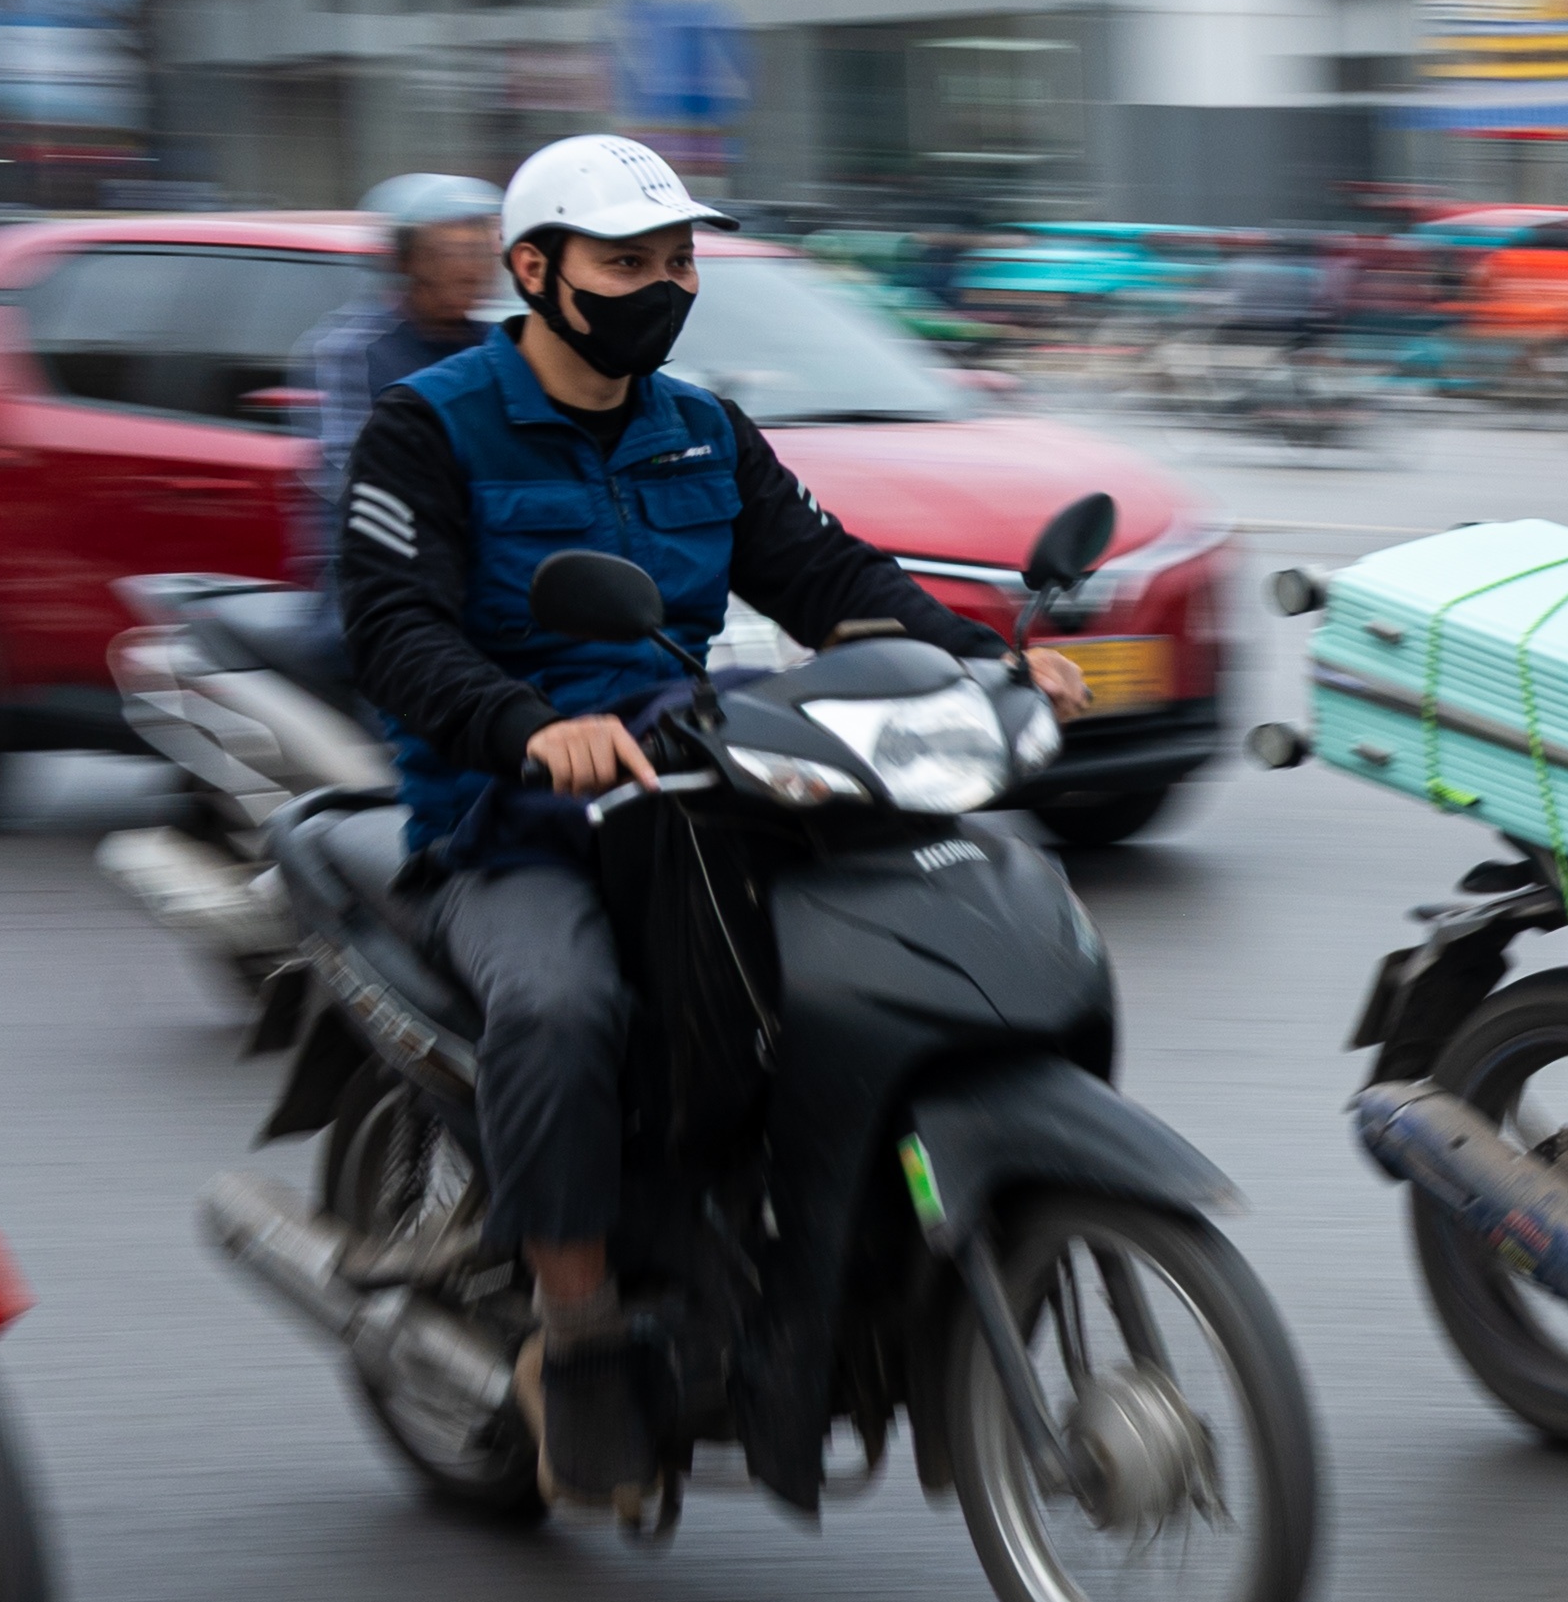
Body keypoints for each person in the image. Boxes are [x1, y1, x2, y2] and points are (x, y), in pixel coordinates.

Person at [332, 134, 1089, 1521]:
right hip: (509, 818)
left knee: (867, 956)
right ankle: (577, 1336)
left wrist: (987, 660)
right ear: (535, 271)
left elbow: (825, 574)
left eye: (678, 259)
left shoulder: (700, 426)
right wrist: (521, 728)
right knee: (562, 1009)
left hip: (694, 780)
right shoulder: (428, 427)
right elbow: (390, 630)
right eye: (629, 261)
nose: (664, 283)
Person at [291, 173, 501, 586]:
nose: (471, 269)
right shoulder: (352, 351)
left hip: (476, 566)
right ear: (404, 260)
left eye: (481, 250)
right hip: (375, 576)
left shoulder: (497, 348)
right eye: (450, 252)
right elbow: (351, 473)